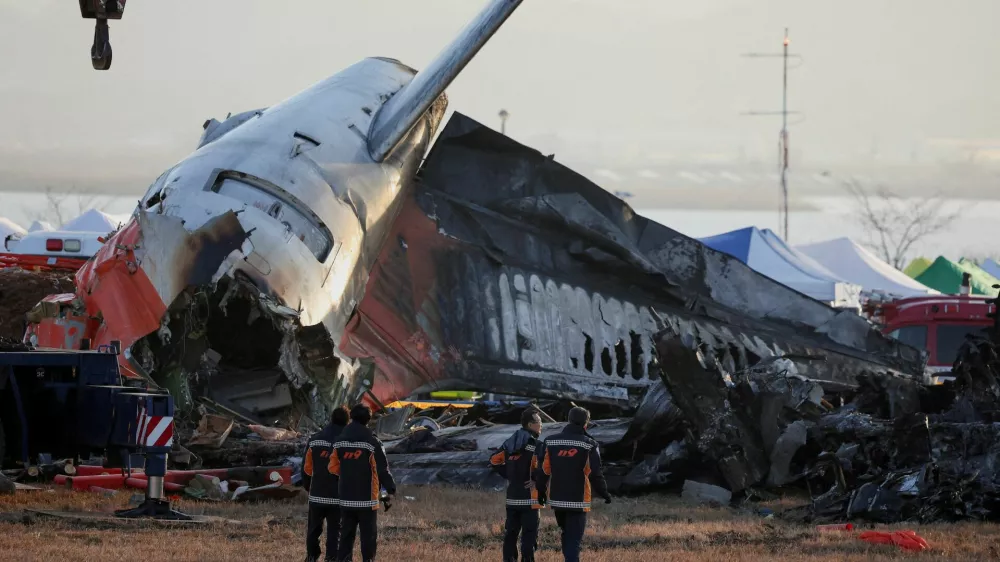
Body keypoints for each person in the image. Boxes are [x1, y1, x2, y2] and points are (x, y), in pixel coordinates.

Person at [535, 406, 611, 562]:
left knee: (566, 534)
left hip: (557, 499)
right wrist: (605, 493)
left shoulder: (550, 441)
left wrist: (540, 491)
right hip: (578, 499)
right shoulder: (589, 444)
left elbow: (543, 470)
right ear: (586, 424)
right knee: (574, 539)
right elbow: (595, 473)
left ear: (568, 420)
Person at [328, 404, 396, 562]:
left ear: (351, 418)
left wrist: (348, 474)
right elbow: (382, 469)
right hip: (367, 500)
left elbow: (332, 467)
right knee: (368, 538)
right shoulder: (373, 443)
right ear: (368, 419)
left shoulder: (339, 442)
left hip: (345, 497)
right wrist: (391, 488)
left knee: (345, 536)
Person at [489, 409, 544, 562]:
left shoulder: (509, 444)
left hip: (512, 498)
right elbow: (546, 468)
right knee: (529, 536)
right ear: (530, 425)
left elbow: (494, 460)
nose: (541, 426)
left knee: (510, 535)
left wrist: (509, 474)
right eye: (539, 423)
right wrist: (536, 481)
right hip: (530, 500)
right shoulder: (537, 445)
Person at [302, 405, 350, 562]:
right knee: (335, 531)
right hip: (338, 496)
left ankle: (311, 557)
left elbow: (306, 469)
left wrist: (309, 487)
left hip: (317, 495)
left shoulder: (315, 440)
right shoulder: (348, 443)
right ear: (348, 421)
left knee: (313, 530)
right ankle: (331, 558)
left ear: (331, 418)